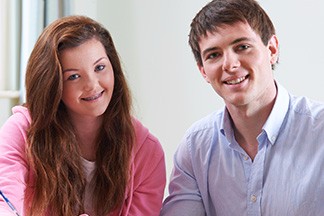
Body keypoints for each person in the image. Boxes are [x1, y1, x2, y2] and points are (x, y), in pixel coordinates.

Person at [160, 0, 324, 215]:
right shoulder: (194, 148)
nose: (230, 64)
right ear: (203, 71)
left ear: (272, 49)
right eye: (214, 55)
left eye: (242, 47)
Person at [0, 15, 166, 216]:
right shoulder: (22, 131)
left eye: (100, 67)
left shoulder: (147, 151)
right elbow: (5, 201)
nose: (92, 85)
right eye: (74, 76)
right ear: (53, 85)